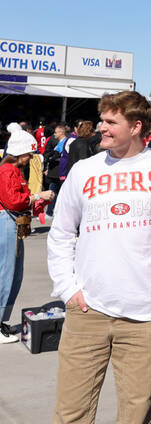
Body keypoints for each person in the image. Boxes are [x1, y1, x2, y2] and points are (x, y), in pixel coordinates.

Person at [47, 91, 151, 424]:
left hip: (144, 316)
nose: (101, 128)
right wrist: (68, 290)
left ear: (136, 127)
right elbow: (61, 233)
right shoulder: (84, 170)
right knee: (71, 412)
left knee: (138, 413)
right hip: (87, 311)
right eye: (102, 120)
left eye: (110, 121)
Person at [2, 130, 55, 342]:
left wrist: (35, 200)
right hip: (7, 224)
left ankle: (2, 321)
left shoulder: (12, 170)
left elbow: (18, 199)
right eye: (28, 154)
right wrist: (37, 196)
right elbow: (13, 201)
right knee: (6, 273)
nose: (30, 158)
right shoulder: (7, 171)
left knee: (13, 273)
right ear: (20, 152)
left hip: (13, 223)